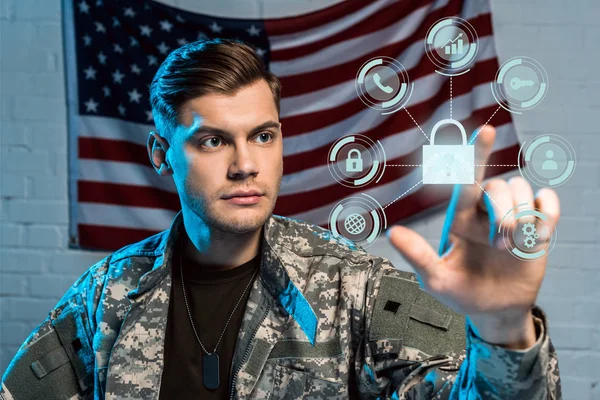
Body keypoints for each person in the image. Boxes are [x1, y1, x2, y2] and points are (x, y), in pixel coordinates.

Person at [1, 38, 562, 400]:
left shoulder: (355, 289)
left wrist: (503, 331)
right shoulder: (106, 295)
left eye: (263, 136)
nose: (246, 165)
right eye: (213, 140)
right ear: (159, 152)